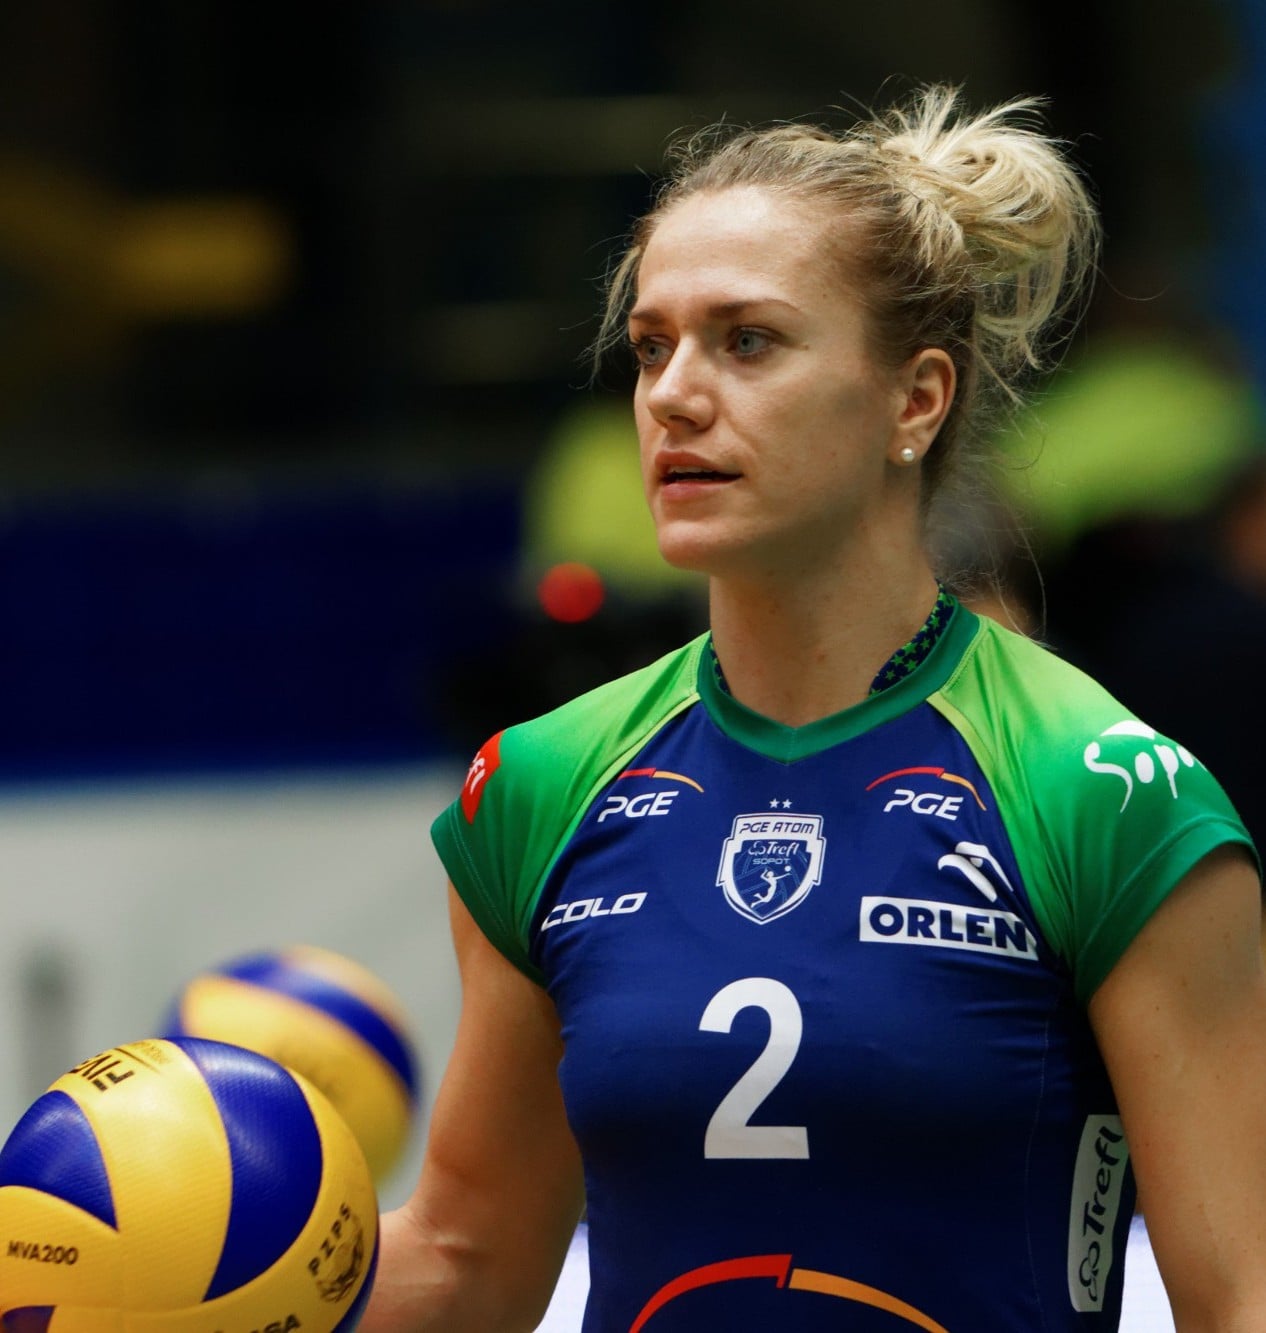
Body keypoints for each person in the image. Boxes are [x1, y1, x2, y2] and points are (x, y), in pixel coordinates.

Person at [364, 85, 1264, 1331]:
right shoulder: (542, 782)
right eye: (652, 347)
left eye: (747, 341)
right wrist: (208, 1286)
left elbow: (1240, 1294)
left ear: (916, 399)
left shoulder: (1101, 789)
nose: (674, 394)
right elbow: (469, 1258)